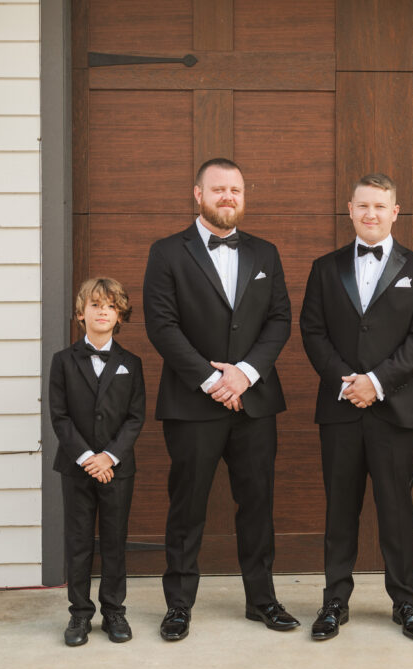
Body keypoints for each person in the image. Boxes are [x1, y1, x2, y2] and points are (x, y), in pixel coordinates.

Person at [143, 157, 298, 641]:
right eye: (218, 189)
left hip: (255, 402)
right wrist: (213, 382)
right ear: (198, 194)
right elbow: (161, 325)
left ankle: (262, 600)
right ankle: (179, 605)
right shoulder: (167, 252)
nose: (228, 197)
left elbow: (279, 319)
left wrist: (245, 375)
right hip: (193, 404)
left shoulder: (265, 253)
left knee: (257, 504)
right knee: (187, 506)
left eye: (236, 190)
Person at [300, 173, 413, 641]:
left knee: (396, 510)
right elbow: (312, 331)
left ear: (395, 212)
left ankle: (405, 602)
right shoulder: (324, 268)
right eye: (363, 205)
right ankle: (334, 602)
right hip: (340, 408)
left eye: (380, 206)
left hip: (394, 410)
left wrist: (376, 383)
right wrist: (348, 383)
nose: (371, 214)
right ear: (350, 209)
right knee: (340, 509)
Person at [49, 277, 146, 646]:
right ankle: (79, 614)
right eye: (95, 305)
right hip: (76, 467)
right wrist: (89, 458)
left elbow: (135, 417)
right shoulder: (62, 361)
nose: (102, 311)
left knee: (114, 540)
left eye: (110, 306)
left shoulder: (131, 363)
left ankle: (114, 611)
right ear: (81, 314)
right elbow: (60, 416)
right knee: (78, 541)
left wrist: (109, 456)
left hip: (117, 469)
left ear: (119, 315)